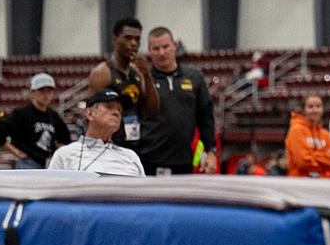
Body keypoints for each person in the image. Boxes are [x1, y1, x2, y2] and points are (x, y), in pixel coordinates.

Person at [137, 27, 217, 176]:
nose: (162, 52)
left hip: (183, 161)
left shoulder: (194, 77)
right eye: (156, 48)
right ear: (149, 50)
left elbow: (205, 117)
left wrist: (211, 150)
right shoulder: (142, 79)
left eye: (166, 46)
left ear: (175, 45)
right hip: (147, 162)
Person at [86, 17, 160, 152]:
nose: (133, 43)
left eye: (137, 39)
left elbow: (152, 111)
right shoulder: (102, 72)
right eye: (128, 38)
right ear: (115, 39)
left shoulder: (138, 73)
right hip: (108, 145)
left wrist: (147, 76)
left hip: (135, 144)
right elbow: (91, 115)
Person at [47, 90, 145, 176]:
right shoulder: (65, 154)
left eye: (119, 110)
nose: (116, 113)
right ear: (89, 113)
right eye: (109, 107)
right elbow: (51, 192)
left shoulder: (131, 157)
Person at [0, 73, 72, 169]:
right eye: (41, 91)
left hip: (48, 163)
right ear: (33, 92)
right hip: (28, 163)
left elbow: (66, 140)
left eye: (49, 91)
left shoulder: (54, 116)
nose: (46, 95)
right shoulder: (22, 114)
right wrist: (16, 152)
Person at [285, 94, 330, 179]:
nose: (315, 110)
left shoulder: (325, 134)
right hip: (299, 183)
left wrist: (313, 155)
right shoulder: (296, 130)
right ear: (303, 110)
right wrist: (324, 157)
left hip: (322, 183)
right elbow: (303, 161)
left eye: (318, 106)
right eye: (310, 107)